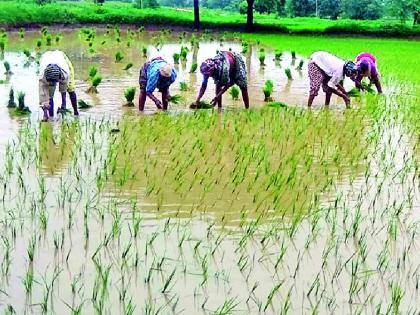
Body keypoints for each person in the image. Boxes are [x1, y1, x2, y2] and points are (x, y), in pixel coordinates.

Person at [39, 50, 79, 122]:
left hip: (62, 60)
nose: (53, 84)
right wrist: (46, 114)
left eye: (54, 82)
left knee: (71, 89)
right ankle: (51, 116)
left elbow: (63, 89)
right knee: (50, 96)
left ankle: (76, 112)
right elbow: (43, 96)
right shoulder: (42, 77)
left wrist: (63, 107)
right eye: (51, 83)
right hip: (47, 60)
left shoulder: (65, 72)